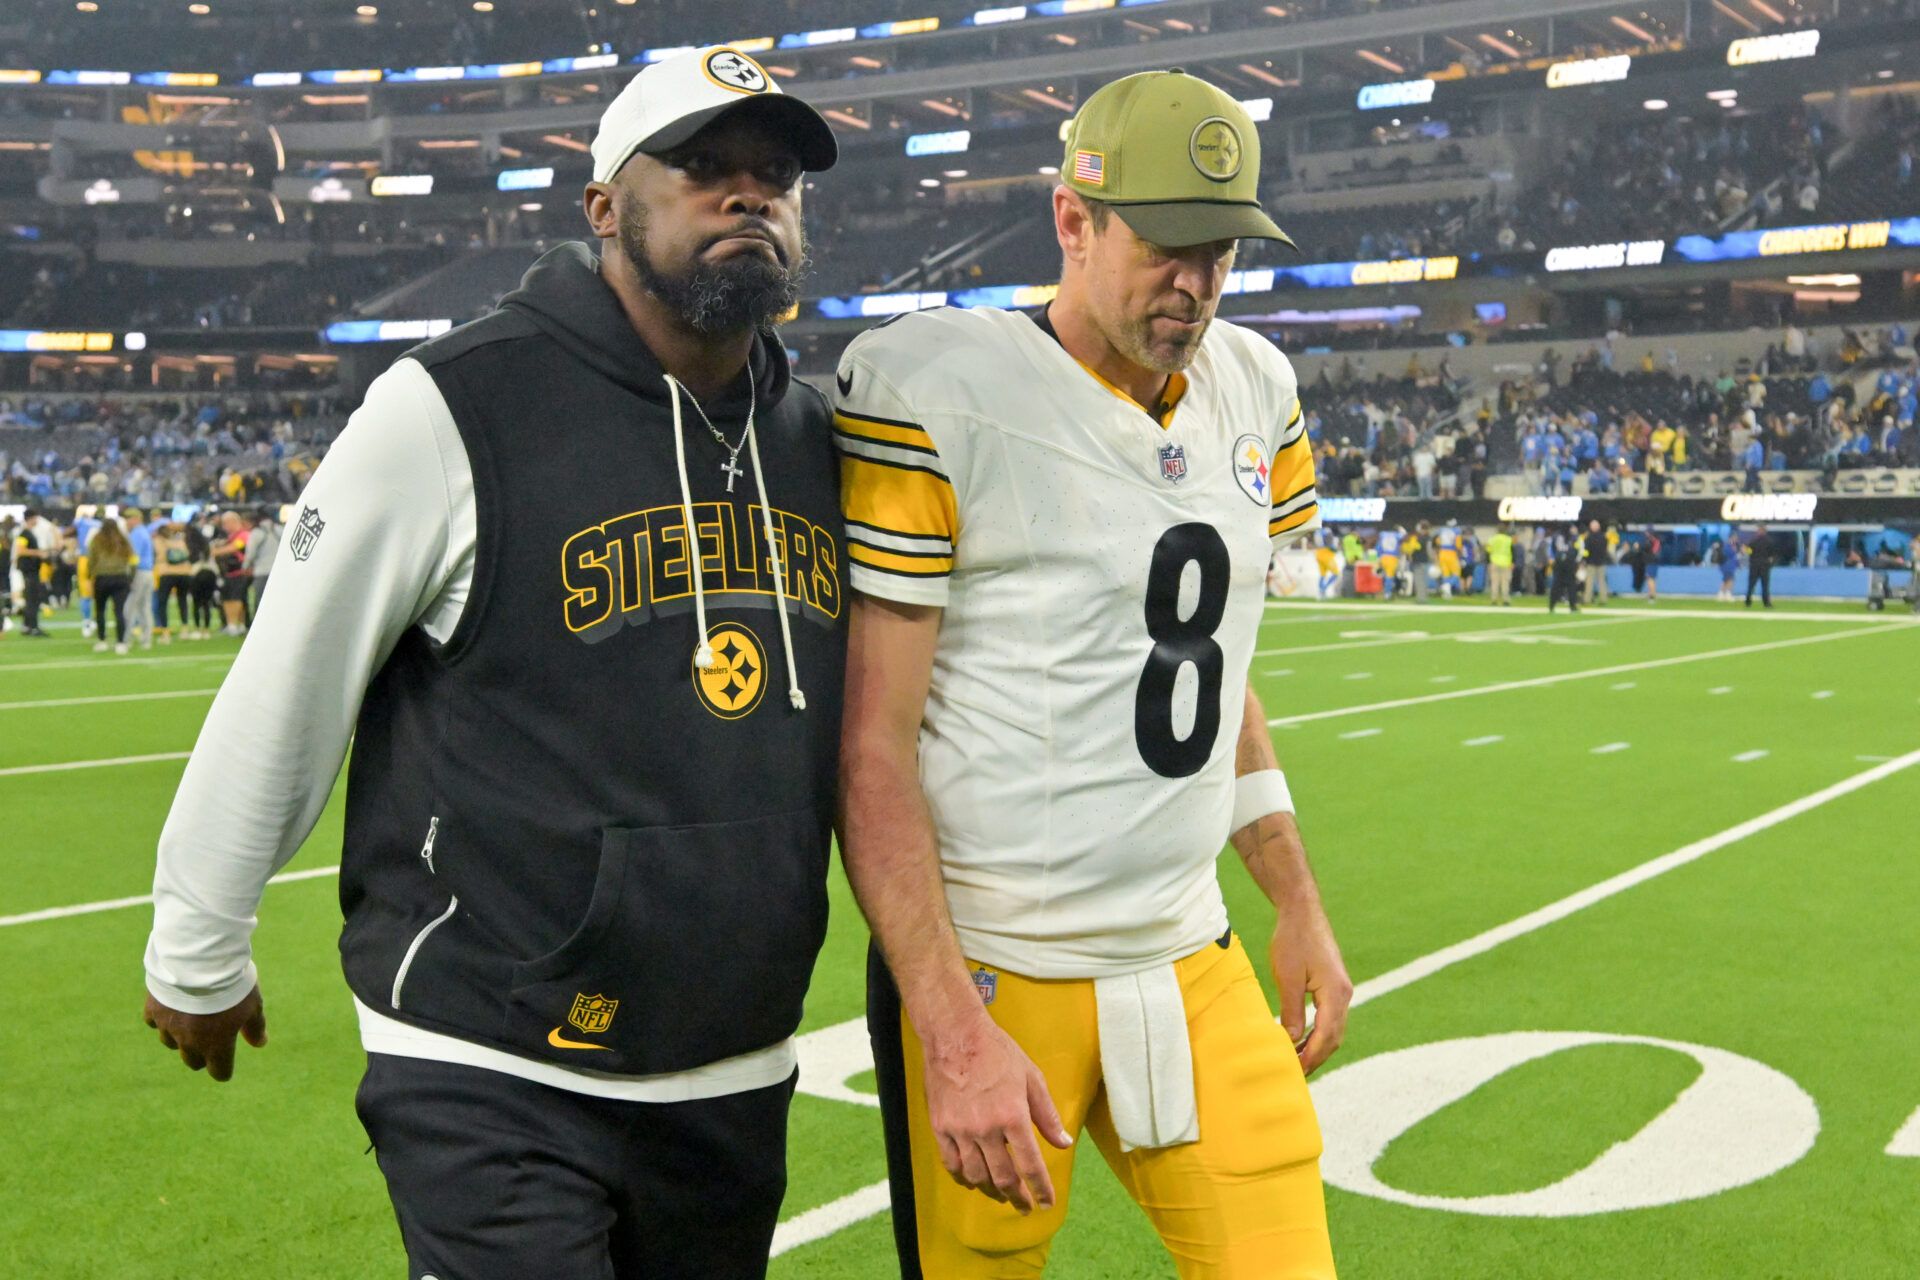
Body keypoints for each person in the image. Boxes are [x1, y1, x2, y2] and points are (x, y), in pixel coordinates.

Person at [142, 45, 843, 1280]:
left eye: (776, 174)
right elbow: (290, 677)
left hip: (734, 1057)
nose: (749, 196)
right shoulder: (451, 403)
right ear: (602, 208)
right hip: (493, 1051)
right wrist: (200, 941)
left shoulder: (816, 430)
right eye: (702, 168)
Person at [836, 70, 1344, 1279]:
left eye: (1219, 248)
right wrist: (950, 1027)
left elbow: (1212, 676)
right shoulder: (939, 387)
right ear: (1073, 220)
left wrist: (1298, 898)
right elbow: (870, 746)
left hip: (1189, 950)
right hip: (1002, 968)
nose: (1197, 282)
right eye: (1168, 245)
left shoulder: (1257, 387)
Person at [87, 517, 136, 654]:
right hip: (121, 578)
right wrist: (131, 576)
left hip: (102, 578)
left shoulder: (97, 539)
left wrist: (90, 575)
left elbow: (91, 559)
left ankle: (102, 640)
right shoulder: (123, 539)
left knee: (100, 611)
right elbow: (132, 558)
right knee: (119, 611)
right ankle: (121, 642)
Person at [12, 508, 54, 638]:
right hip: (29, 570)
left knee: (30, 598)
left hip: (31, 569)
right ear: (31, 518)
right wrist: (39, 553)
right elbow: (20, 550)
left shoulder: (27, 532)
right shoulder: (24, 533)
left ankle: (26, 626)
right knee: (32, 599)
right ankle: (33, 627)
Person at [152, 518, 193, 642]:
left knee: (163, 602)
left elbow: (159, 555)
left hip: (166, 572)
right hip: (184, 572)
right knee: (182, 600)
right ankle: (184, 629)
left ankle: (165, 632)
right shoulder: (180, 540)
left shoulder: (158, 540)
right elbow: (187, 554)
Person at [210, 510, 251, 635]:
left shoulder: (244, 535)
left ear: (233, 521)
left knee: (235, 598)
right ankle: (236, 624)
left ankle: (234, 624)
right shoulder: (230, 537)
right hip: (229, 573)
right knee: (230, 598)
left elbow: (234, 548)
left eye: (226, 523)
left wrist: (214, 551)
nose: (224, 527)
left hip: (240, 572)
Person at [124, 507, 156, 649]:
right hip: (148, 572)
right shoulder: (145, 532)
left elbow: (133, 557)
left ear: (136, 519)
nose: (127, 522)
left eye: (129, 518)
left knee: (130, 607)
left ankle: (126, 638)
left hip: (139, 572)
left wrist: (129, 575)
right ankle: (146, 639)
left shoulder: (137, 534)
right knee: (145, 607)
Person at [243, 511, 280, 616]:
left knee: (260, 600)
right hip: (278, 572)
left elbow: (250, 553)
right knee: (275, 600)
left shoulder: (256, 533)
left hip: (261, 571)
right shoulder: (279, 530)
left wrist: (245, 567)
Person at [1549, 523, 1583, 613]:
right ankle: (1572, 606)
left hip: (1559, 563)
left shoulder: (1556, 536)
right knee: (1571, 586)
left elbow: (1552, 549)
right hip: (1570, 564)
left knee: (1556, 585)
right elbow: (1578, 550)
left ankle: (1552, 605)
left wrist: (1555, 559)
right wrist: (1576, 561)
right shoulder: (1574, 537)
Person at [1745, 524, 1775, 608]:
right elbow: (1771, 555)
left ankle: (1748, 601)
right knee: (1765, 585)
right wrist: (1769, 564)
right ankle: (1766, 603)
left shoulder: (1753, 541)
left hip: (1754, 565)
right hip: (1764, 565)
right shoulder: (1769, 541)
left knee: (1751, 584)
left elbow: (1748, 552)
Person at [1582, 518, 1610, 606]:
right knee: (1602, 582)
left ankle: (1587, 599)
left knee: (1589, 581)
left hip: (1591, 562)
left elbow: (1586, 551)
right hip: (1601, 562)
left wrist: (1584, 560)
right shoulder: (1604, 537)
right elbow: (1605, 550)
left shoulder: (1588, 537)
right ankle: (1603, 599)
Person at [1486, 523, 1514, 606]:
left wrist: (1488, 562)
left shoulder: (1492, 539)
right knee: (1505, 582)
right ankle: (1506, 600)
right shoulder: (1509, 539)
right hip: (1506, 562)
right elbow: (1513, 551)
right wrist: (1512, 562)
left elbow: (1488, 551)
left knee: (1495, 582)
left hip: (1494, 561)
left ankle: (1494, 599)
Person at [1434, 517, 1462, 597]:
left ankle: (1446, 593)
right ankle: (1447, 585)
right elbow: (1458, 545)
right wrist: (1460, 554)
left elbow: (1437, 542)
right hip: (1451, 554)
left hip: (1442, 553)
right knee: (1456, 573)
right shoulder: (1456, 531)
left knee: (1446, 574)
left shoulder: (1441, 530)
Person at [1377, 524, 1404, 599]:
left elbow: (1378, 547)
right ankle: (1387, 593)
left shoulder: (1383, 534)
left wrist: (1379, 557)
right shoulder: (1397, 535)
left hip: (1383, 556)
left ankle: (1382, 592)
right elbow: (1404, 537)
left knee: (1383, 576)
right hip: (1392, 557)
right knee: (1389, 576)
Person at [1712, 536, 1737, 602]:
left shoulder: (1730, 546)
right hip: (1727, 566)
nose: (1735, 540)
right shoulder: (1727, 546)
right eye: (1734, 538)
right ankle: (1727, 594)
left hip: (1729, 565)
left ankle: (1722, 594)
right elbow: (1730, 554)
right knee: (1729, 580)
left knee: (1726, 580)